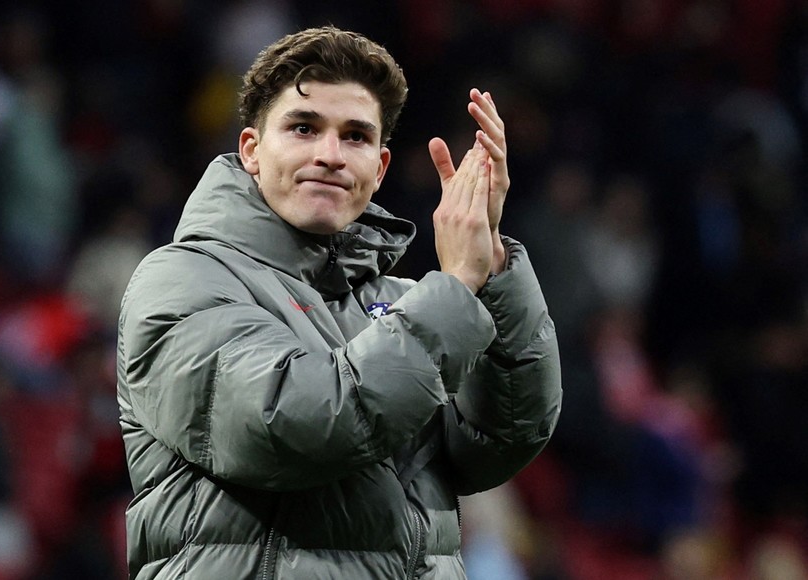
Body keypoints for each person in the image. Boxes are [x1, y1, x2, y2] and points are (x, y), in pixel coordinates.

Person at [116, 26, 561, 579]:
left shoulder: (408, 305)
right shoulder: (184, 279)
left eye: (355, 137)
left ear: (379, 169)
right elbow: (292, 426)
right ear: (252, 150)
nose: (330, 155)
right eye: (304, 128)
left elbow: (501, 439)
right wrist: (452, 289)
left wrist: (490, 268)